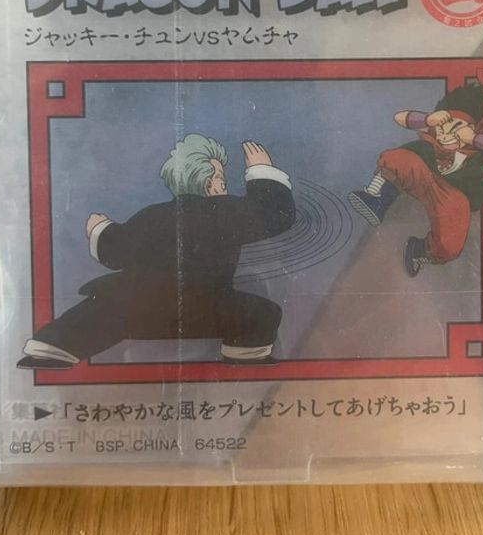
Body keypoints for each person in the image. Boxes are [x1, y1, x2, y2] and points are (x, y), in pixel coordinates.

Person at [17, 135, 296, 369]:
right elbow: (273, 216)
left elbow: (117, 252)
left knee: (100, 311)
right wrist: (261, 170)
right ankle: (244, 354)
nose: (223, 187)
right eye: (221, 180)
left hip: (140, 312)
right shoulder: (225, 212)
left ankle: (52, 348)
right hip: (206, 310)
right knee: (262, 313)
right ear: (209, 183)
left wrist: (100, 228)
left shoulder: (151, 215)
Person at [348, 72, 483, 278]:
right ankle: (376, 198)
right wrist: (427, 119)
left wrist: (472, 138)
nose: (446, 134)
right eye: (442, 129)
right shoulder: (433, 132)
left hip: (451, 194)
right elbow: (399, 117)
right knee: (400, 157)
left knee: (450, 243)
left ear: (472, 126)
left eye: (455, 128)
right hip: (423, 176)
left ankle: (420, 250)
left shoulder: (480, 138)